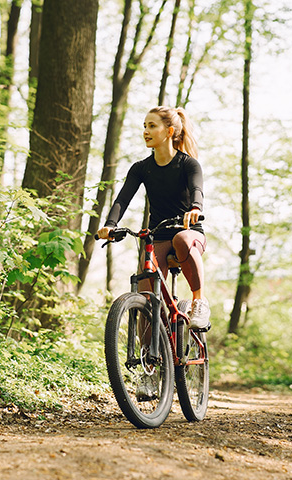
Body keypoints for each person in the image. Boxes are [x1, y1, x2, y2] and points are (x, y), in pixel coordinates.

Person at [97, 106, 210, 400]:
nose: (145, 131)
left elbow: (197, 191)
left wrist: (195, 210)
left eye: (152, 126)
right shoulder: (141, 168)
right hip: (158, 235)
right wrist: (110, 225)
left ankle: (198, 303)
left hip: (188, 232)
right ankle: (151, 367)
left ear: (169, 131)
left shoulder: (188, 165)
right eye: (144, 125)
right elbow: (123, 198)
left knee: (184, 241)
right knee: (148, 297)